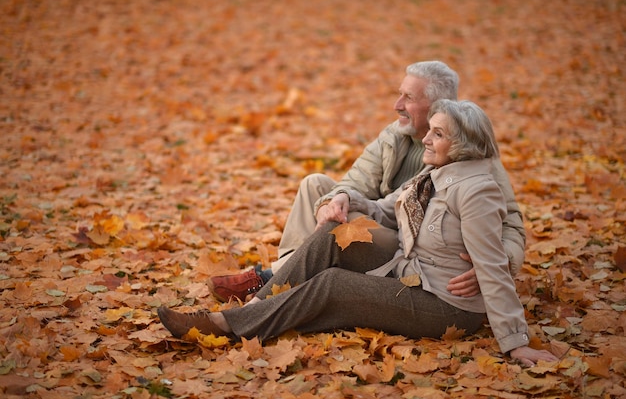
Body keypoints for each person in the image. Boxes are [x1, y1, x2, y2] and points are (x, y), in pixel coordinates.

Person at [159, 99, 558, 366]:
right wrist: (349, 204)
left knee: (333, 284)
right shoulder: (434, 171)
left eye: (437, 134)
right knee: (336, 233)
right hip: (411, 269)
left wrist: (515, 341)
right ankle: (250, 312)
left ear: (463, 144)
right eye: (430, 130)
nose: (426, 139)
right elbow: (388, 208)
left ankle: (230, 327)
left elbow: (491, 265)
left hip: (446, 304)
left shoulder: (477, 189)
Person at [210, 61, 526, 302]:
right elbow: (354, 182)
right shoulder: (395, 135)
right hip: (384, 214)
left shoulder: (471, 150)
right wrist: (331, 203)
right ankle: (285, 274)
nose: (397, 105)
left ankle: (270, 281)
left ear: (437, 107)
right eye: (399, 94)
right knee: (316, 185)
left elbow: (511, 220)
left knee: (352, 220)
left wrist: (499, 264)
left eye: (408, 97)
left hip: (414, 246)